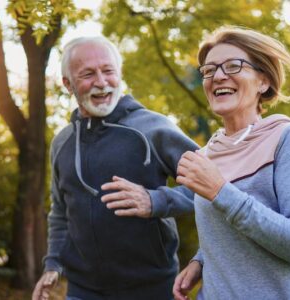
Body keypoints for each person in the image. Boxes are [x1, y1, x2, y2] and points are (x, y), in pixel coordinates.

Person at [32, 36, 198, 300]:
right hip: (81, 291)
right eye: (88, 74)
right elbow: (61, 212)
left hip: (152, 288)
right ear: (67, 84)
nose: (101, 82)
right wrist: (52, 264)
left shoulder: (153, 128)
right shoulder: (62, 143)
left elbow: (212, 188)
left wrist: (155, 200)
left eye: (108, 71)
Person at [172, 26, 290, 300]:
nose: (218, 76)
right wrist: (201, 261)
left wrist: (221, 191)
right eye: (209, 70)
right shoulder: (206, 155)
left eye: (233, 66)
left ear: (263, 82)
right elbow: (228, 232)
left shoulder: (289, 138)